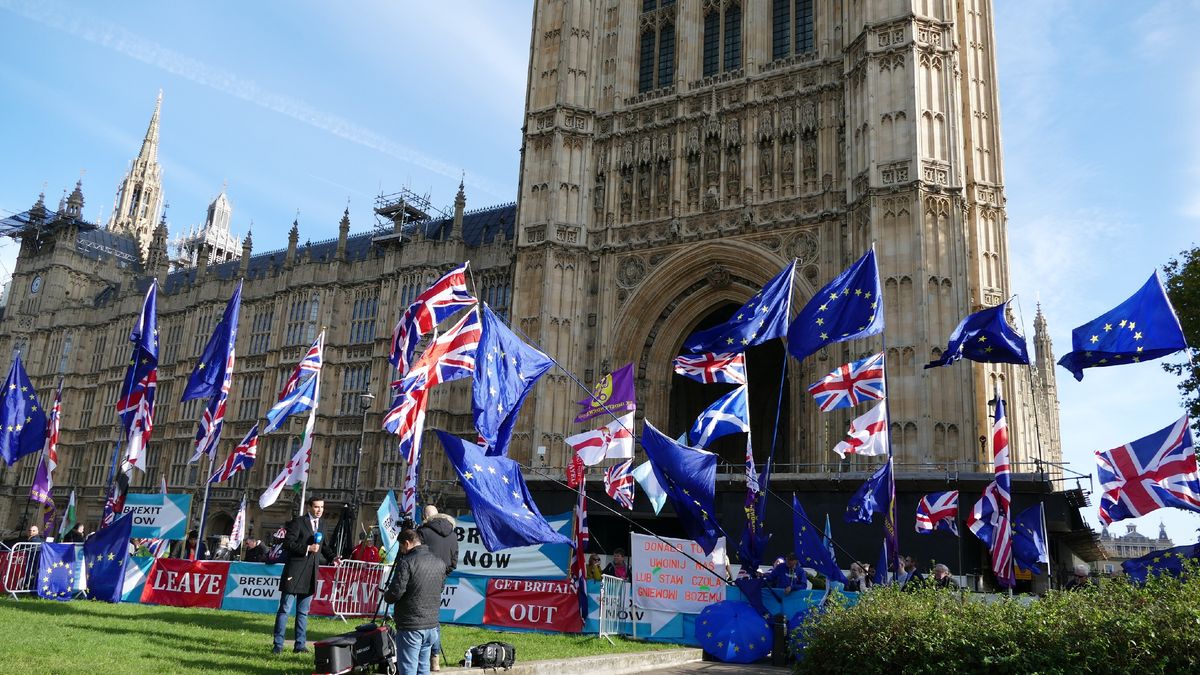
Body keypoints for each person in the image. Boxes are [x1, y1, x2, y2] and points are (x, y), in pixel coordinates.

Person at [272, 496, 336, 654]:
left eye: (321, 507)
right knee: (284, 610)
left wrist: (333, 557)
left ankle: (300, 645)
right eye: (316, 507)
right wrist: (307, 548)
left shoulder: (322, 524)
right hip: (294, 572)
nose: (319, 510)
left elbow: (324, 547)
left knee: (303, 612)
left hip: (310, 573)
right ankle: (278, 645)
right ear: (309, 507)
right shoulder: (298, 522)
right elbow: (287, 544)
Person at [384, 528, 447, 675]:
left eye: (401, 547)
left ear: (407, 543)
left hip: (411, 625)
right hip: (431, 624)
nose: (401, 551)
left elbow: (395, 593)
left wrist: (387, 595)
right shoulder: (439, 562)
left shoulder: (406, 562)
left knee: (408, 668)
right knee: (423, 668)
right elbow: (440, 588)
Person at [417, 505, 458, 672]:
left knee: (419, 617)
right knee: (434, 618)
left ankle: (420, 655)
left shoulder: (422, 532)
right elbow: (453, 563)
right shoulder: (453, 534)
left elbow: (414, 556)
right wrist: (441, 573)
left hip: (420, 579)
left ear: (425, 517)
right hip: (439, 581)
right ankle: (435, 658)